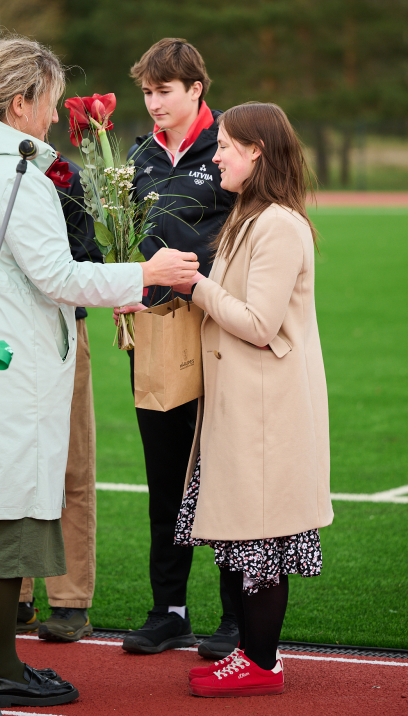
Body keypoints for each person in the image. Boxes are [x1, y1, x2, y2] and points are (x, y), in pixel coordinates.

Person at [0, 36, 198, 708]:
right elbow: (56, 276)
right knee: (5, 529)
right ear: (19, 103)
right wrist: (146, 271)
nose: (52, 119)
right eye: (46, 104)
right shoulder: (8, 175)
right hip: (7, 375)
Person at [172, 102, 334, 698]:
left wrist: (195, 286)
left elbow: (260, 322)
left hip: (267, 409)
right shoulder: (251, 213)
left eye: (224, 145)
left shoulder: (279, 225)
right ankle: (249, 656)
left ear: (257, 151)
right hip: (243, 403)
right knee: (245, 536)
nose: (215, 156)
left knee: (262, 537)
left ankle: (262, 667)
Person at [115, 38, 238, 658]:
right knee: (165, 477)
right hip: (156, 338)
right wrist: (122, 282)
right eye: (147, 92)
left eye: (165, 90)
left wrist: (194, 273)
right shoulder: (136, 156)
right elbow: (128, 239)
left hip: (220, 333)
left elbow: (246, 237)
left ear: (197, 90)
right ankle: (169, 610)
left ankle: (236, 617)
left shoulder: (233, 148)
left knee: (221, 474)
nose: (154, 102)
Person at [18, 152, 100, 643]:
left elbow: (85, 257)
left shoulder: (61, 173)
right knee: (8, 462)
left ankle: (70, 600)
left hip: (62, 333)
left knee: (71, 465)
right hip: (2, 337)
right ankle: (16, 592)